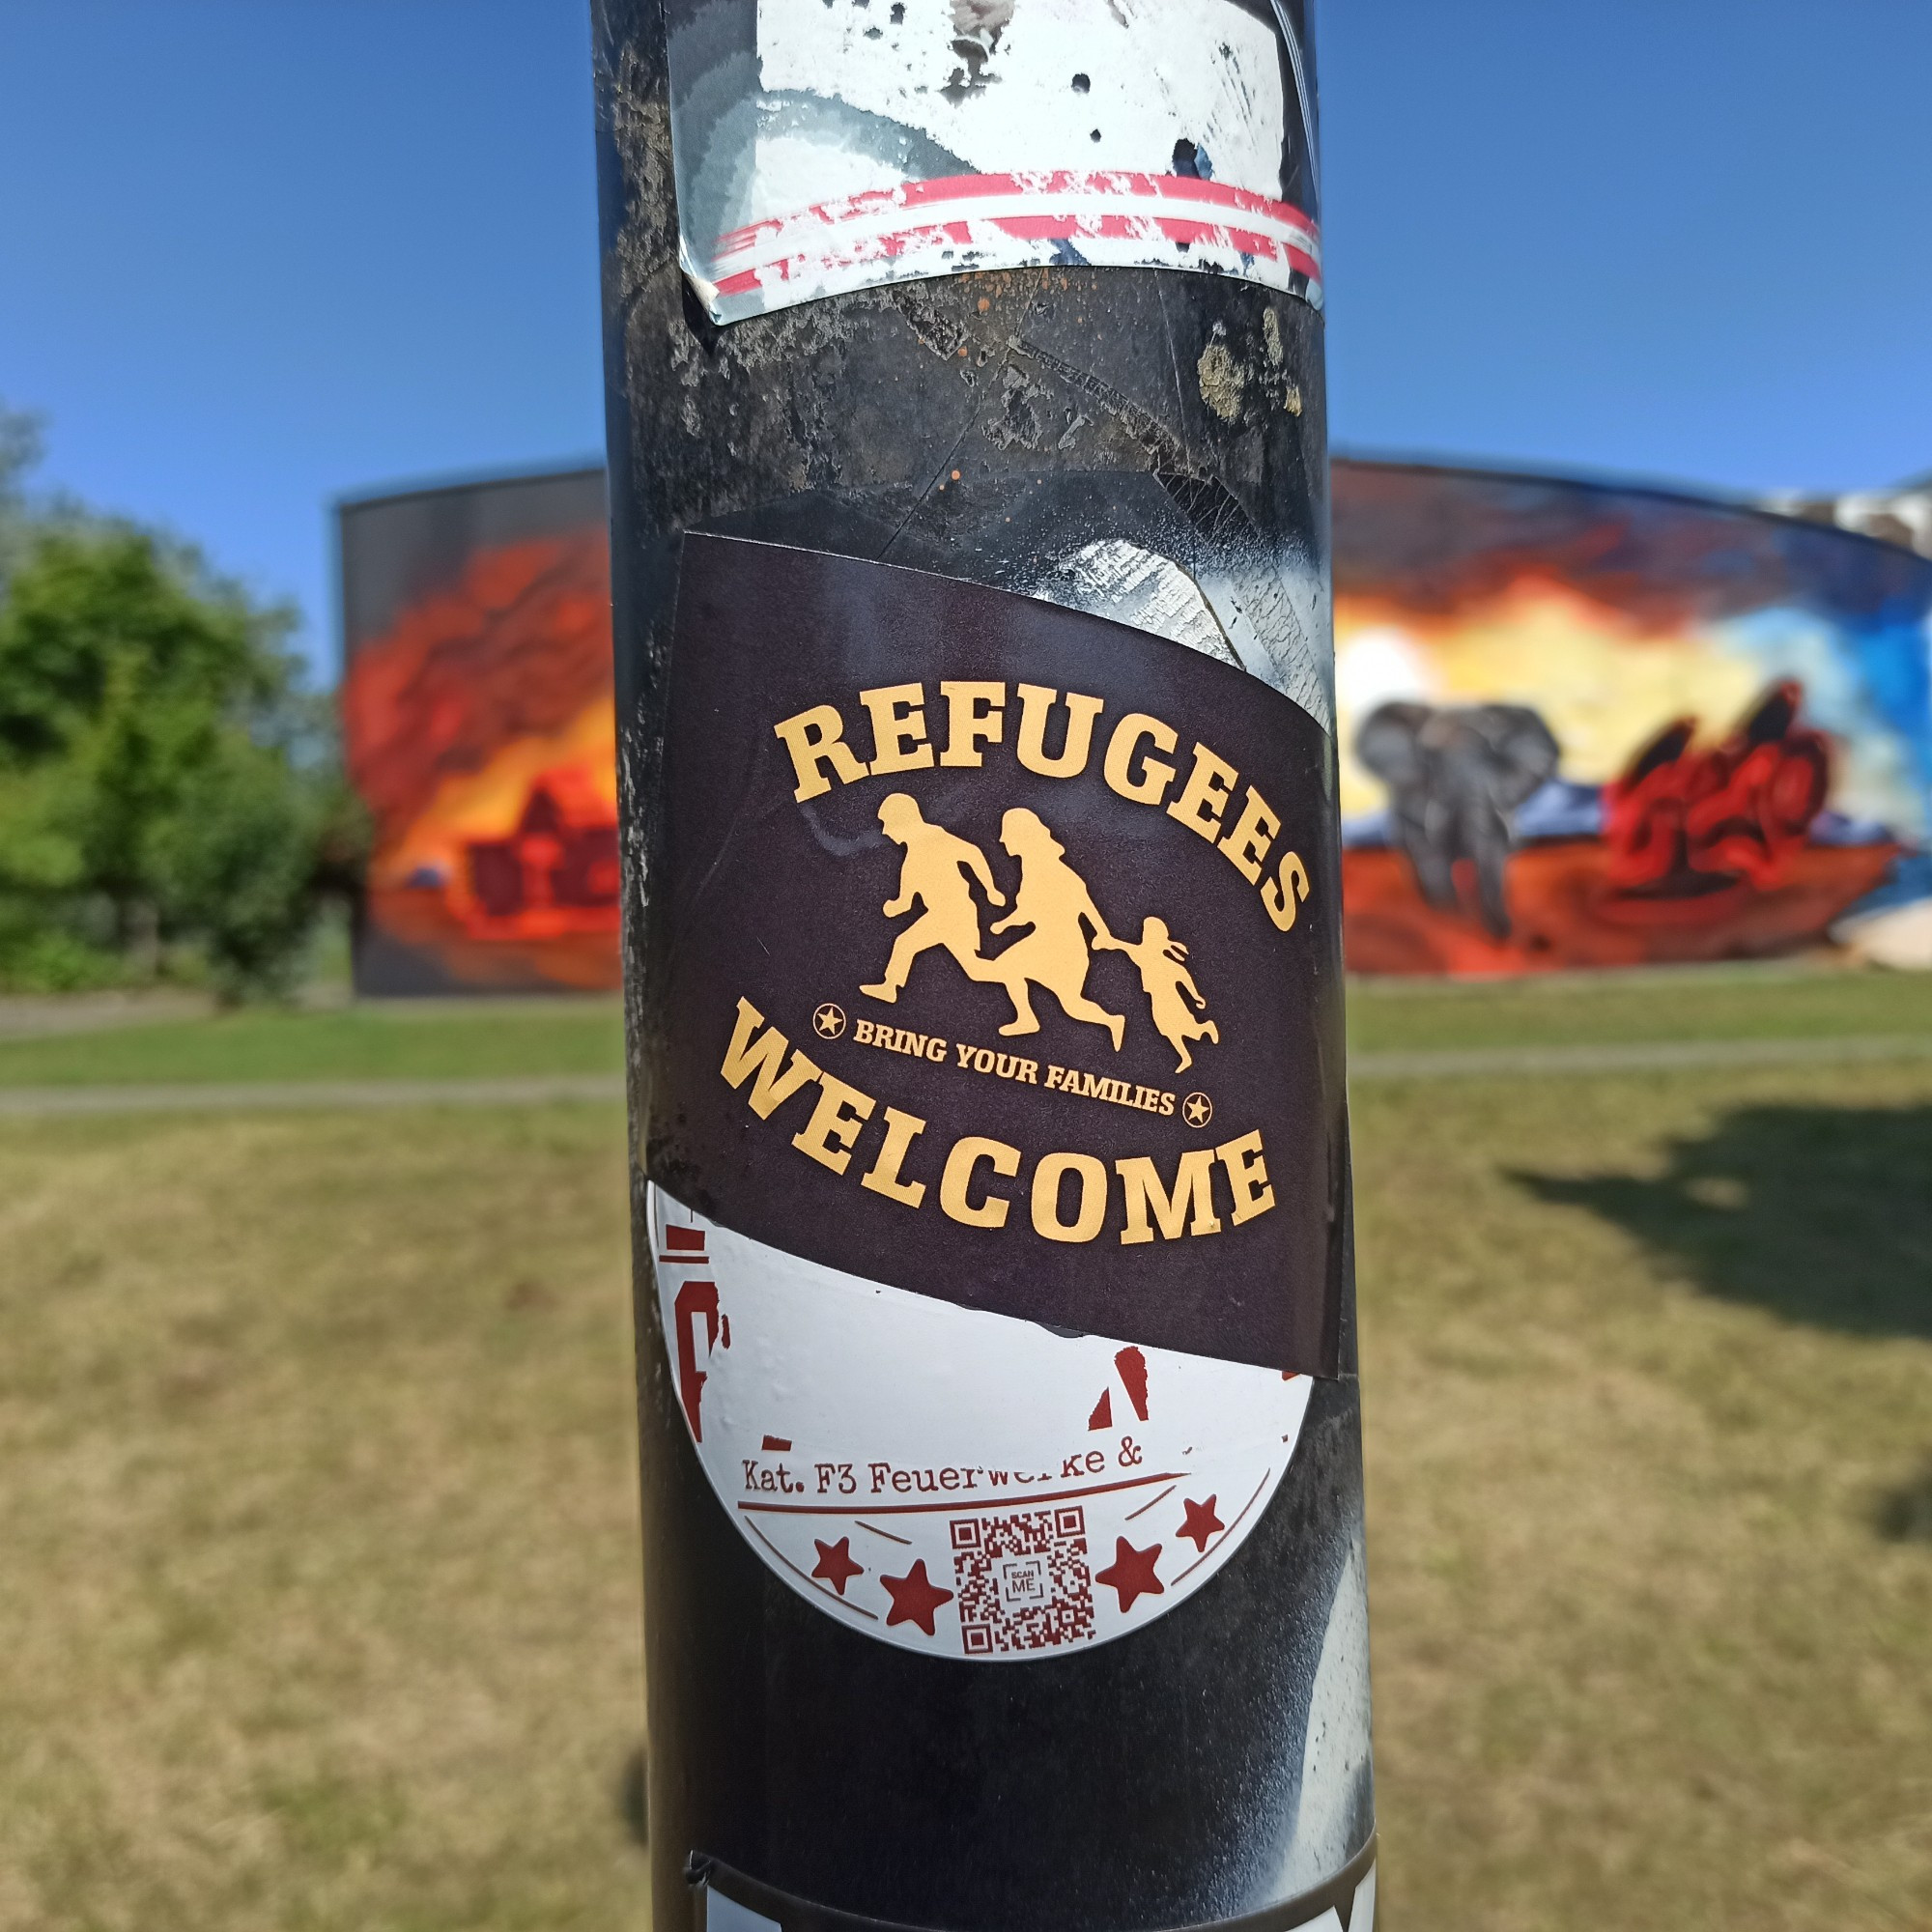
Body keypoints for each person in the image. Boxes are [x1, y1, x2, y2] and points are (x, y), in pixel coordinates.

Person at [985, 808, 1125, 1050]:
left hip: (1065, 947)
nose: (1002, 840)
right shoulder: (1032, 869)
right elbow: (1030, 911)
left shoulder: (1051, 869)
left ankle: (1112, 1021)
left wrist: (1103, 932)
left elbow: (1082, 900)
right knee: (1008, 968)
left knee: (1072, 1005)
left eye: (1006, 834)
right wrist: (1005, 924)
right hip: (1045, 940)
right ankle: (1027, 1018)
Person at [860, 793, 1007, 1003]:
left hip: (957, 913)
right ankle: (890, 988)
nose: (885, 831)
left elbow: (972, 853)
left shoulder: (935, 838)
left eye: (887, 824)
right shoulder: (911, 859)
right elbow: (905, 902)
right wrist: (893, 907)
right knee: (909, 945)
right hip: (940, 916)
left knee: (972, 969)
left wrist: (991, 889)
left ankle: (1015, 974)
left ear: (903, 821)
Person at [1104, 914, 1218, 1072]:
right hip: (1155, 999)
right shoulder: (1142, 954)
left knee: (1184, 1026)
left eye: (1148, 933)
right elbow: (1123, 946)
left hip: (1171, 998)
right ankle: (1185, 1057)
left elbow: (1183, 976)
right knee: (1166, 1029)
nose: (1144, 935)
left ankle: (1206, 1028)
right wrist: (1108, 943)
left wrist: (1196, 996)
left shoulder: (1164, 962)